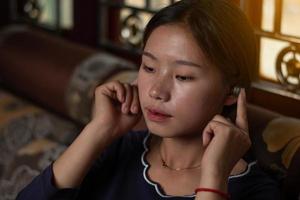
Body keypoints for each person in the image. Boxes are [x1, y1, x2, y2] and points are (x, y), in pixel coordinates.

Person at [17, 0, 280, 199]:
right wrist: (98, 129)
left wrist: (214, 177)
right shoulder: (117, 149)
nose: (156, 91)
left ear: (232, 91)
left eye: (183, 77)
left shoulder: (256, 190)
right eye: (149, 68)